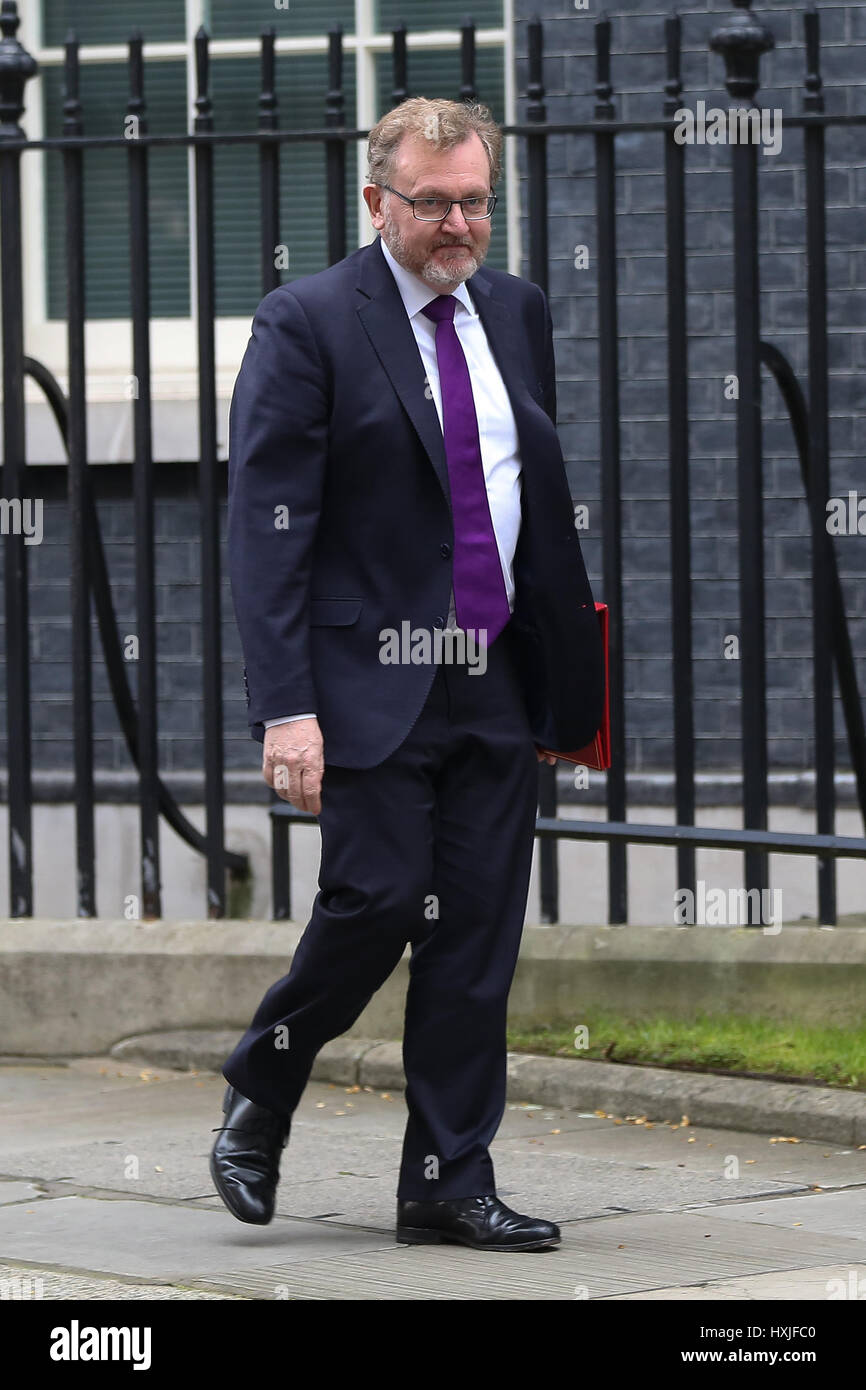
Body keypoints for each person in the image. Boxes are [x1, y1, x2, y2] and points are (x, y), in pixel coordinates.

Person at [210, 96, 604, 1252]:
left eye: (475, 201)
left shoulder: (515, 311)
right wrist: (286, 708)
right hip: (364, 679)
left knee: (476, 930)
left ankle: (445, 1177)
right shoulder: (309, 321)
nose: (457, 225)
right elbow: (266, 531)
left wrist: (560, 675)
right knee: (376, 899)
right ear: (377, 200)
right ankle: (265, 1077)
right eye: (432, 203)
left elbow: (521, 498)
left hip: (490, 673)